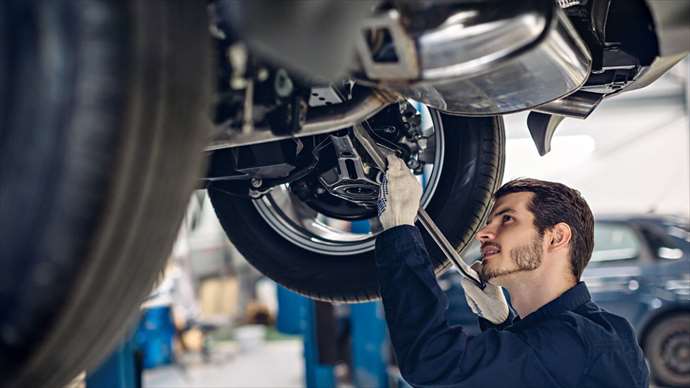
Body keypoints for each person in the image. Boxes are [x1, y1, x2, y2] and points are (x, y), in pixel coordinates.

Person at [375, 155, 649, 387]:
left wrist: (400, 230)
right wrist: (502, 323)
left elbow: (431, 361)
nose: (483, 233)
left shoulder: (574, 342)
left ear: (556, 237)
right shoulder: (609, 330)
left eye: (507, 219)